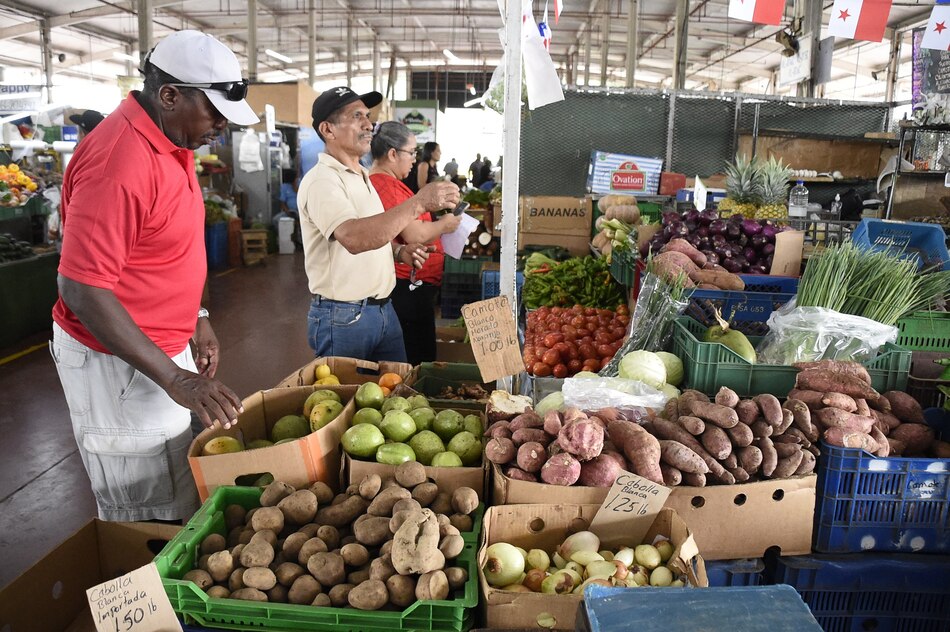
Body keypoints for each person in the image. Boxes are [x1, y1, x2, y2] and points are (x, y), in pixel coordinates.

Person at [50, 30, 255, 522]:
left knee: (179, 489)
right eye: (215, 114)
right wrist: (174, 378)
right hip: (115, 363)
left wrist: (196, 316)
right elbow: (81, 287)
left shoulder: (171, 138)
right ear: (169, 95)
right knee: (148, 509)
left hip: (163, 346)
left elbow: (170, 247)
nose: (221, 129)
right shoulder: (119, 161)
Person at [298, 87, 459, 362]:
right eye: (356, 116)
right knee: (346, 401)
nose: (368, 124)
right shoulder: (323, 181)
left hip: (383, 310)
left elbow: (371, 230)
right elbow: (353, 237)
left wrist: (397, 252)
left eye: (368, 116)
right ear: (328, 129)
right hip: (345, 316)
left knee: (394, 397)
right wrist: (418, 204)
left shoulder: (361, 175)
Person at [369, 122, 461, 365]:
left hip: (413, 281)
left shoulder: (391, 184)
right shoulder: (383, 185)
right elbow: (414, 235)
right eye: (411, 152)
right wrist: (445, 225)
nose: (414, 159)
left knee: (418, 350)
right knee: (416, 355)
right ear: (392, 154)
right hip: (406, 284)